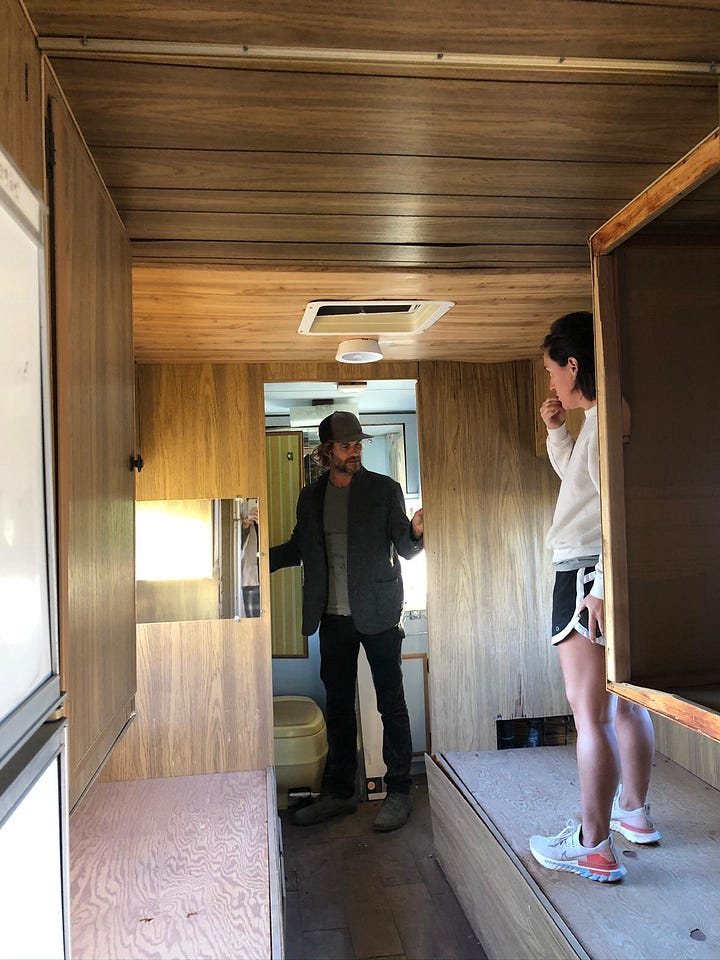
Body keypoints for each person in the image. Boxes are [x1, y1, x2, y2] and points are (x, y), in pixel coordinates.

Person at [529, 311, 661, 883]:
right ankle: (634, 813)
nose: (551, 383)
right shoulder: (607, 417)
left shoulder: (606, 421)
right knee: (625, 702)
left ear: (573, 365)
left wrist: (602, 586)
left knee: (590, 715)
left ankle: (594, 845)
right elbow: (583, 488)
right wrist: (558, 430)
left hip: (585, 576)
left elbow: (616, 510)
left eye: (552, 371)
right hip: (601, 573)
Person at [270, 410, 424, 831]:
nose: (354, 452)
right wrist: (256, 556)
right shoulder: (311, 497)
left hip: (378, 613)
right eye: (345, 446)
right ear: (327, 452)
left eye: (358, 444)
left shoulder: (384, 490)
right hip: (332, 616)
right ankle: (340, 792)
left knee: (391, 703)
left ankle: (398, 791)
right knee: (338, 705)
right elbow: (300, 547)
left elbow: (407, 550)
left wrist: (417, 529)